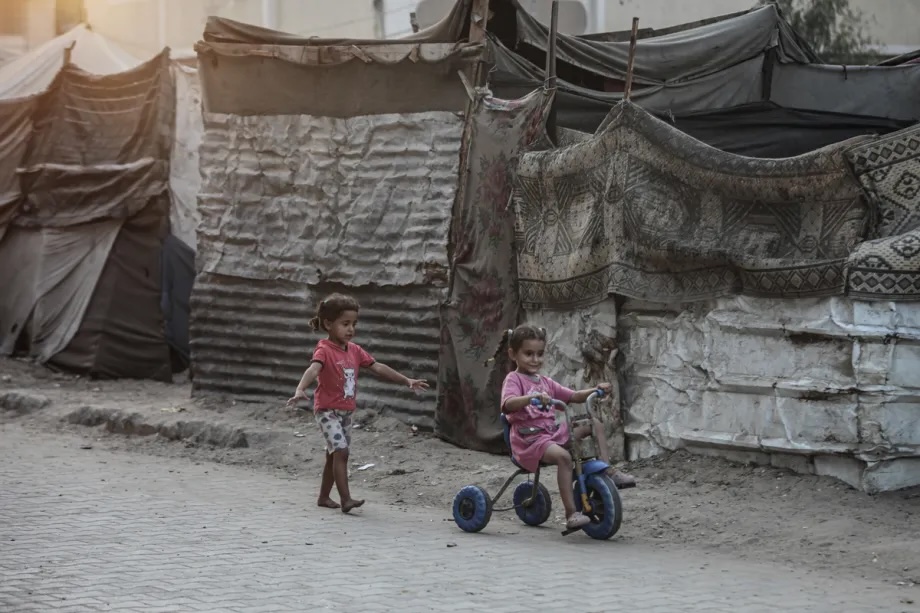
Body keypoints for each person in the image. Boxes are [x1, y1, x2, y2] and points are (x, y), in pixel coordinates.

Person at [287, 293, 429, 513]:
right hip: (326, 411)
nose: (351, 329)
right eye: (345, 324)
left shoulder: (354, 350)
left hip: (345, 412)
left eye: (354, 324)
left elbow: (378, 367)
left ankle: (324, 497)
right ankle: (346, 499)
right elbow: (313, 369)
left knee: (333, 455)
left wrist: (406, 380)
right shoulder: (324, 349)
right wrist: (300, 389)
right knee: (341, 452)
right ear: (328, 324)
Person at [498, 324, 637, 530]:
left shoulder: (546, 382)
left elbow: (572, 396)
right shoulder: (514, 379)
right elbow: (507, 404)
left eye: (539, 354)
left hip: (551, 434)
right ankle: (571, 513)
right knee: (563, 457)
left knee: (593, 423)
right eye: (528, 354)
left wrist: (595, 390)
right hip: (529, 441)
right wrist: (530, 398)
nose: (535, 360)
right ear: (513, 354)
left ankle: (607, 470)